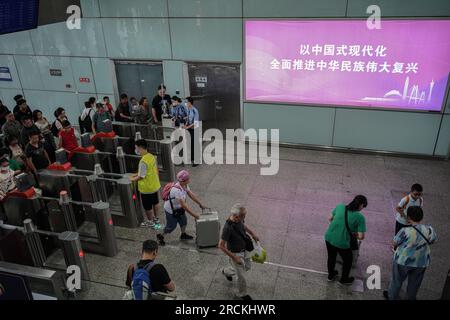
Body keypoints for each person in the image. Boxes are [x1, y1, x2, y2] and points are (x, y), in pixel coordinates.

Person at [384, 206, 437, 300]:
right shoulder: (429, 230)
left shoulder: (405, 231)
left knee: (397, 280)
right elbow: (433, 240)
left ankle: (392, 296)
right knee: (415, 284)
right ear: (421, 217)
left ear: (408, 217)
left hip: (403, 261)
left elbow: (395, 242)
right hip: (421, 262)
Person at [219, 204, 260, 301]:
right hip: (236, 254)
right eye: (243, 216)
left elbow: (243, 226)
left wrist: (253, 233)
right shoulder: (227, 228)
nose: (244, 218)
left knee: (247, 267)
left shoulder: (239, 219)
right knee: (241, 276)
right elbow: (220, 245)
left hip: (244, 249)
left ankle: (225, 271)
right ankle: (242, 294)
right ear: (237, 216)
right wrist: (234, 257)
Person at [324, 195, 367, 285]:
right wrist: (353, 233)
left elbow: (330, 218)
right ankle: (343, 280)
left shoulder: (340, 206)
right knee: (348, 261)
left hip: (329, 237)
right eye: (363, 206)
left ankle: (330, 276)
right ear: (361, 205)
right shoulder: (360, 217)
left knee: (331, 257)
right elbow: (361, 236)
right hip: (342, 242)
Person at [156, 170, 207, 246]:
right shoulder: (176, 190)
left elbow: (191, 195)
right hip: (171, 211)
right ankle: (161, 236)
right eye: (188, 179)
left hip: (179, 208)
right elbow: (184, 206)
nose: (189, 180)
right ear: (184, 181)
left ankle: (183, 235)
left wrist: (200, 204)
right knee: (171, 227)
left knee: (184, 222)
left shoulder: (184, 185)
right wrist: (195, 215)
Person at [129, 139, 161, 229]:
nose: (136, 150)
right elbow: (150, 170)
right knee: (155, 202)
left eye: (136, 148)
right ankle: (156, 219)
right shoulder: (151, 156)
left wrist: (132, 179)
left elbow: (142, 176)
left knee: (147, 206)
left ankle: (150, 222)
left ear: (140, 148)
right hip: (154, 185)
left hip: (146, 188)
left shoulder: (143, 161)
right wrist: (136, 174)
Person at [183, 97, 200, 167]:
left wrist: (187, 127)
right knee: (190, 144)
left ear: (190, 103)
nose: (185, 103)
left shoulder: (195, 110)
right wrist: (186, 124)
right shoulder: (188, 110)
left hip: (194, 129)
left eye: (186, 102)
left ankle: (197, 160)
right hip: (189, 128)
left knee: (195, 144)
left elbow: (195, 122)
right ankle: (192, 158)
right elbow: (188, 118)